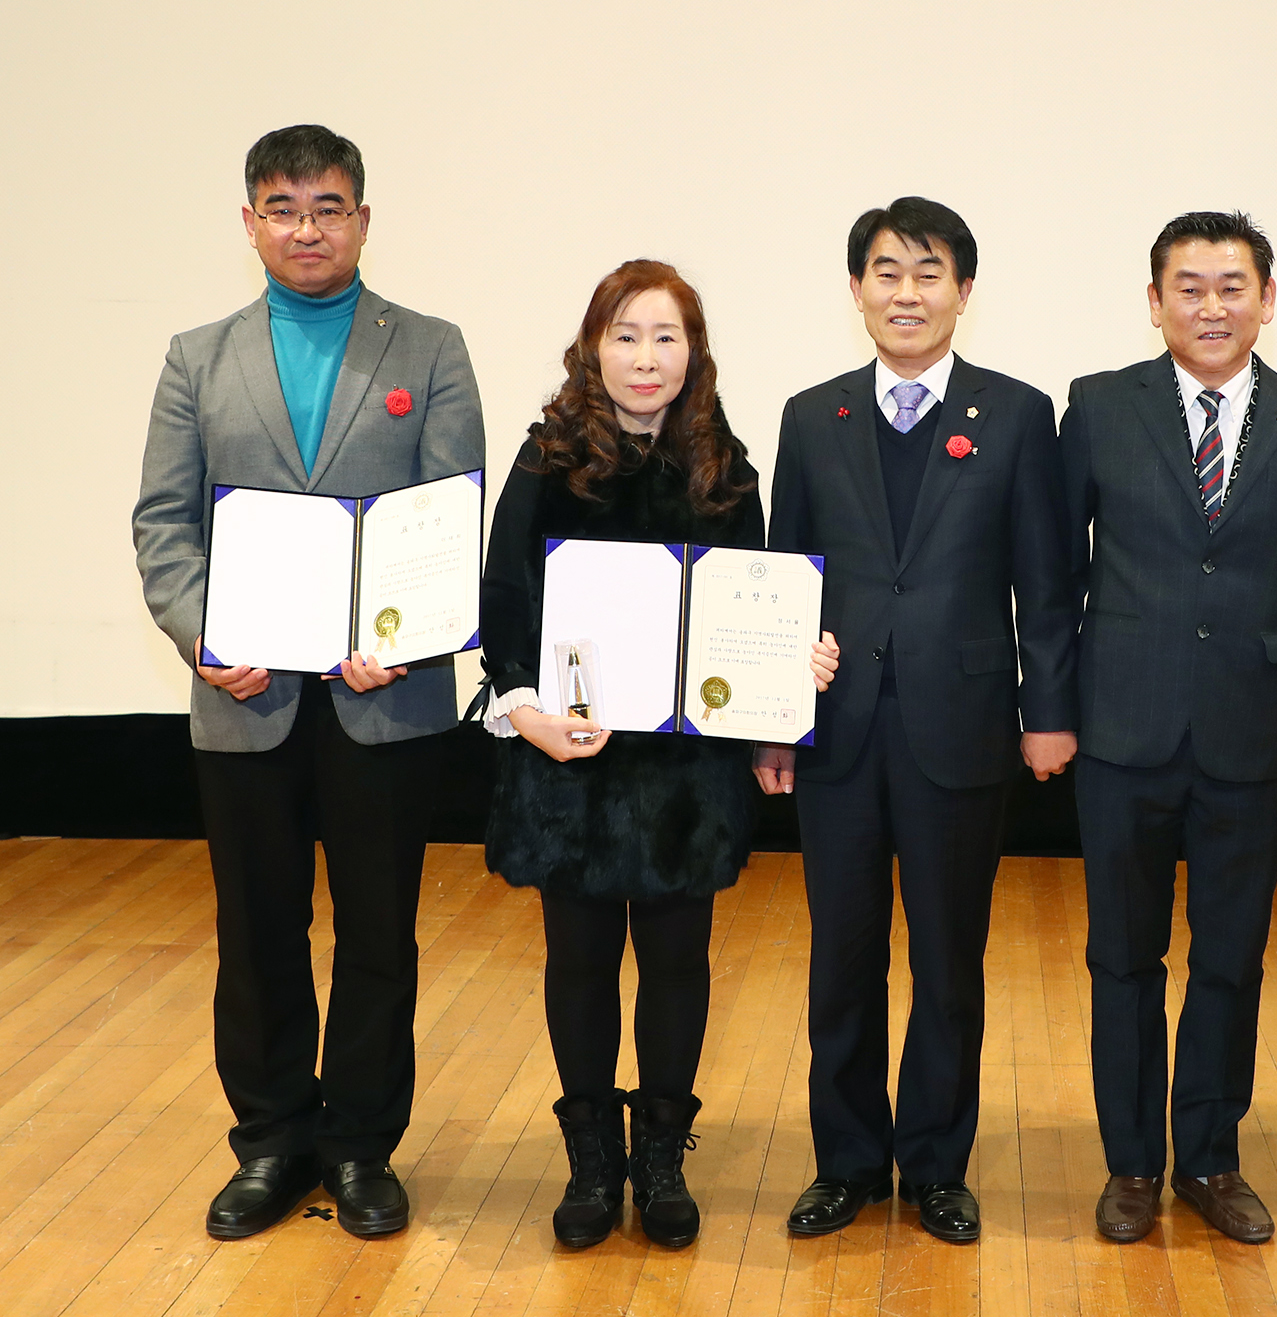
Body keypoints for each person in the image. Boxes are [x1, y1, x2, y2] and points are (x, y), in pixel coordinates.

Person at [133, 125, 484, 1239]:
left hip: (385, 699)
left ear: (364, 220)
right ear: (250, 225)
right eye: (282, 208)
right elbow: (165, 525)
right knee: (259, 931)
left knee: (379, 933)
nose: (306, 228)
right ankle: (274, 1141)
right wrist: (201, 639)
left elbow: (450, 518)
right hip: (246, 699)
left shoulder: (428, 347)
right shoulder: (199, 354)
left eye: (327, 207)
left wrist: (414, 634)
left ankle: (361, 1147)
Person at [477, 260, 837, 1248]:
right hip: (571, 759)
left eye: (666, 336)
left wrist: (791, 667)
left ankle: (661, 1158)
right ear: (594, 347)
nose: (646, 357)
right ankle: (593, 1160)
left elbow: (757, 606)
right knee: (581, 961)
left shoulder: (727, 467)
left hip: (687, 774)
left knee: (679, 960)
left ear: (695, 351)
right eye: (627, 335)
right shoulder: (548, 456)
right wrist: (523, 708)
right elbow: (503, 601)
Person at [759, 197, 1078, 1244]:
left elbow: (1045, 574)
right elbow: (785, 577)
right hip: (839, 728)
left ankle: (937, 1163)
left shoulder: (1019, 414)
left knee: (950, 957)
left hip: (965, 725)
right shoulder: (813, 416)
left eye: (929, 273)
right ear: (857, 289)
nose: (907, 292)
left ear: (965, 293)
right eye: (886, 272)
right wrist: (773, 714)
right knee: (842, 957)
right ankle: (848, 1162)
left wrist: (1048, 713)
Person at [1061, 211, 1277, 1245]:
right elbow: (1054, 579)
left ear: (1267, 301)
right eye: (1189, 287)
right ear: (1155, 303)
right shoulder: (1097, 408)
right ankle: (1133, 1163)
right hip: (1120, 732)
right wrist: (1049, 712)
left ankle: (1211, 1161)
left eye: (1233, 286)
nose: (1212, 306)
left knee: (1231, 960)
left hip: (1254, 735)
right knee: (1123, 959)